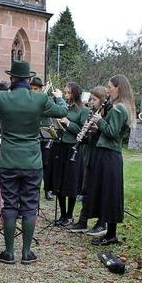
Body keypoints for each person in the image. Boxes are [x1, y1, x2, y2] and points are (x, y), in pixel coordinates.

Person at [0, 60, 67, 263]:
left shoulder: (3, 98)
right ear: (29, 80)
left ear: (11, 78)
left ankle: (9, 252)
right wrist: (60, 98)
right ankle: (27, 253)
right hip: (32, 161)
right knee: (30, 206)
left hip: (9, 161)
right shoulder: (39, 99)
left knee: (10, 205)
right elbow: (62, 112)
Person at [86, 74, 136, 246]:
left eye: (110, 86)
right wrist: (96, 128)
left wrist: (99, 121)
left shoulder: (119, 108)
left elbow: (112, 132)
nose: (108, 90)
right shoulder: (121, 107)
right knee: (108, 193)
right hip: (110, 154)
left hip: (109, 155)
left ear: (119, 88)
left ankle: (111, 235)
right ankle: (109, 233)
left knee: (109, 194)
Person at [69, 86, 109, 236]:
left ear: (102, 100)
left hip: (101, 155)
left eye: (94, 99)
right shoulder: (92, 113)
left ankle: (101, 222)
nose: (91, 102)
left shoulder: (106, 114)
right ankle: (83, 221)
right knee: (86, 189)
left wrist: (97, 129)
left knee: (99, 190)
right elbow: (88, 138)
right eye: (91, 99)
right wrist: (83, 135)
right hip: (90, 156)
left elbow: (108, 134)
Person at [51, 82, 90, 226]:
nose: (66, 95)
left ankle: (69, 215)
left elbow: (83, 132)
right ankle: (62, 214)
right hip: (60, 145)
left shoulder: (83, 110)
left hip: (74, 148)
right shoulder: (64, 107)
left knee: (71, 181)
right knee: (60, 180)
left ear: (75, 94)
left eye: (68, 93)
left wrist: (68, 123)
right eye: (65, 93)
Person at [31, 76, 55, 201]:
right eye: (32, 89)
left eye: (36, 89)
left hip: (45, 137)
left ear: (41, 89)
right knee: (34, 166)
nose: (33, 91)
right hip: (33, 137)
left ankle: (47, 190)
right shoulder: (29, 100)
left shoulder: (47, 99)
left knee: (46, 165)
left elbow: (51, 112)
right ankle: (33, 190)